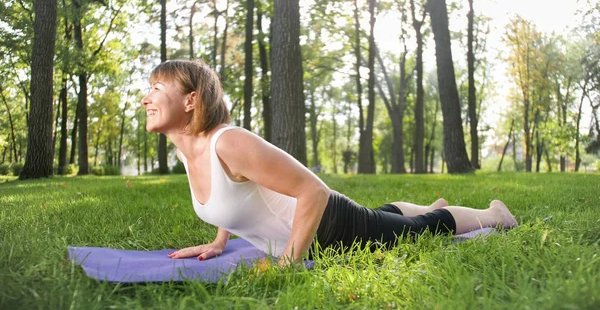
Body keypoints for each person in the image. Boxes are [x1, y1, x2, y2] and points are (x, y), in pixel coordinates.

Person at [141, 60, 518, 266]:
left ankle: (496, 215)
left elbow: (313, 191)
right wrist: (220, 241)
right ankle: (413, 211)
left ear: (191, 100)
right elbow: (236, 194)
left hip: (330, 229)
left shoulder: (229, 141)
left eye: (157, 88)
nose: (146, 98)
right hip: (313, 229)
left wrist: (289, 261)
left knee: (421, 230)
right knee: (385, 217)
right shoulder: (187, 152)